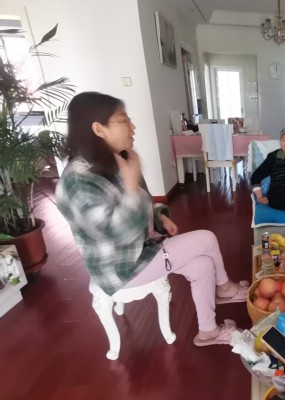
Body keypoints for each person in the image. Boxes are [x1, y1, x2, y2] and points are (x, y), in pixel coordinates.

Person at [55, 92, 248, 347]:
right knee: (206, 239)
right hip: (122, 267)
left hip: (145, 247)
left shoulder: (118, 159)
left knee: (202, 265)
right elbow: (119, 234)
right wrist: (131, 186)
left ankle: (208, 332)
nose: (133, 127)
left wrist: (160, 216)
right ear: (99, 129)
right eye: (124, 121)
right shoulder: (77, 181)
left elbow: (145, 204)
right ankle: (225, 289)